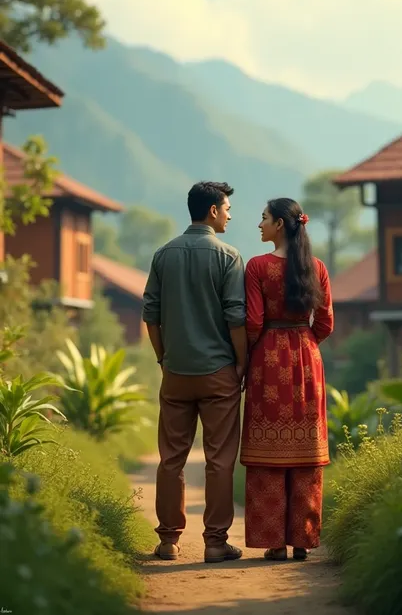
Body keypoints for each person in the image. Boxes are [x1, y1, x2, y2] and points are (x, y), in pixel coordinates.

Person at [142, 181, 247, 564]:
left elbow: (150, 313)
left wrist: (163, 357)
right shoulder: (228, 256)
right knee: (219, 460)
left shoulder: (163, 254)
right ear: (214, 211)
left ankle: (169, 541)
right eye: (228, 208)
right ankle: (215, 543)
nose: (231, 215)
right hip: (219, 372)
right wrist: (241, 363)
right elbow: (236, 316)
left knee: (172, 457)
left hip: (175, 371)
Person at [240, 197, 333, 561]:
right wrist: (305, 341)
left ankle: (274, 543)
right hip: (308, 361)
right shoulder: (318, 267)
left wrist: (249, 357)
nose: (259, 224)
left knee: (268, 453)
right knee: (306, 452)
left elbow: (252, 321)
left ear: (279, 224)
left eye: (263, 218)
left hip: (267, 358)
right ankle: (303, 541)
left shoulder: (257, 267)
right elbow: (325, 323)